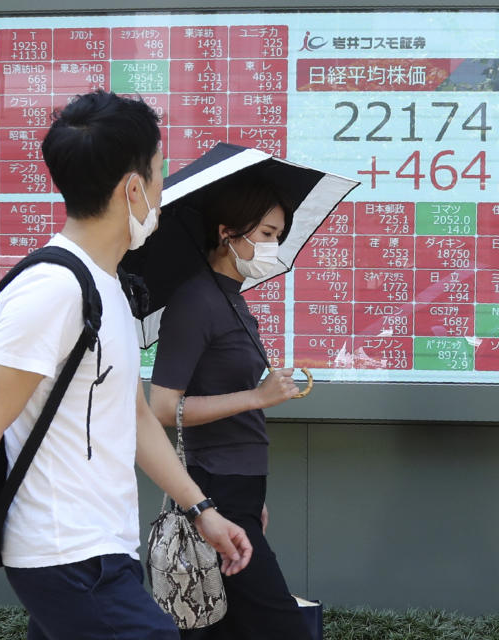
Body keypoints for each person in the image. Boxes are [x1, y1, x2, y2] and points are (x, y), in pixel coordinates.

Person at [0, 90, 252, 639]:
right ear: (132, 188)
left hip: (103, 549)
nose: (160, 188)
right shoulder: (52, 290)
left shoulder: (111, 289)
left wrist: (202, 510)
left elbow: (132, 420)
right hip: (66, 557)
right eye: (157, 173)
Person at [149, 167, 314, 640]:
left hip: (240, 489)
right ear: (227, 232)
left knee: (228, 627)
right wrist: (257, 395)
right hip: (214, 487)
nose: (273, 246)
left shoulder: (232, 300)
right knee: (280, 626)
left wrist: (252, 500)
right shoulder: (195, 301)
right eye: (266, 234)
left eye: (278, 236)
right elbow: (162, 407)